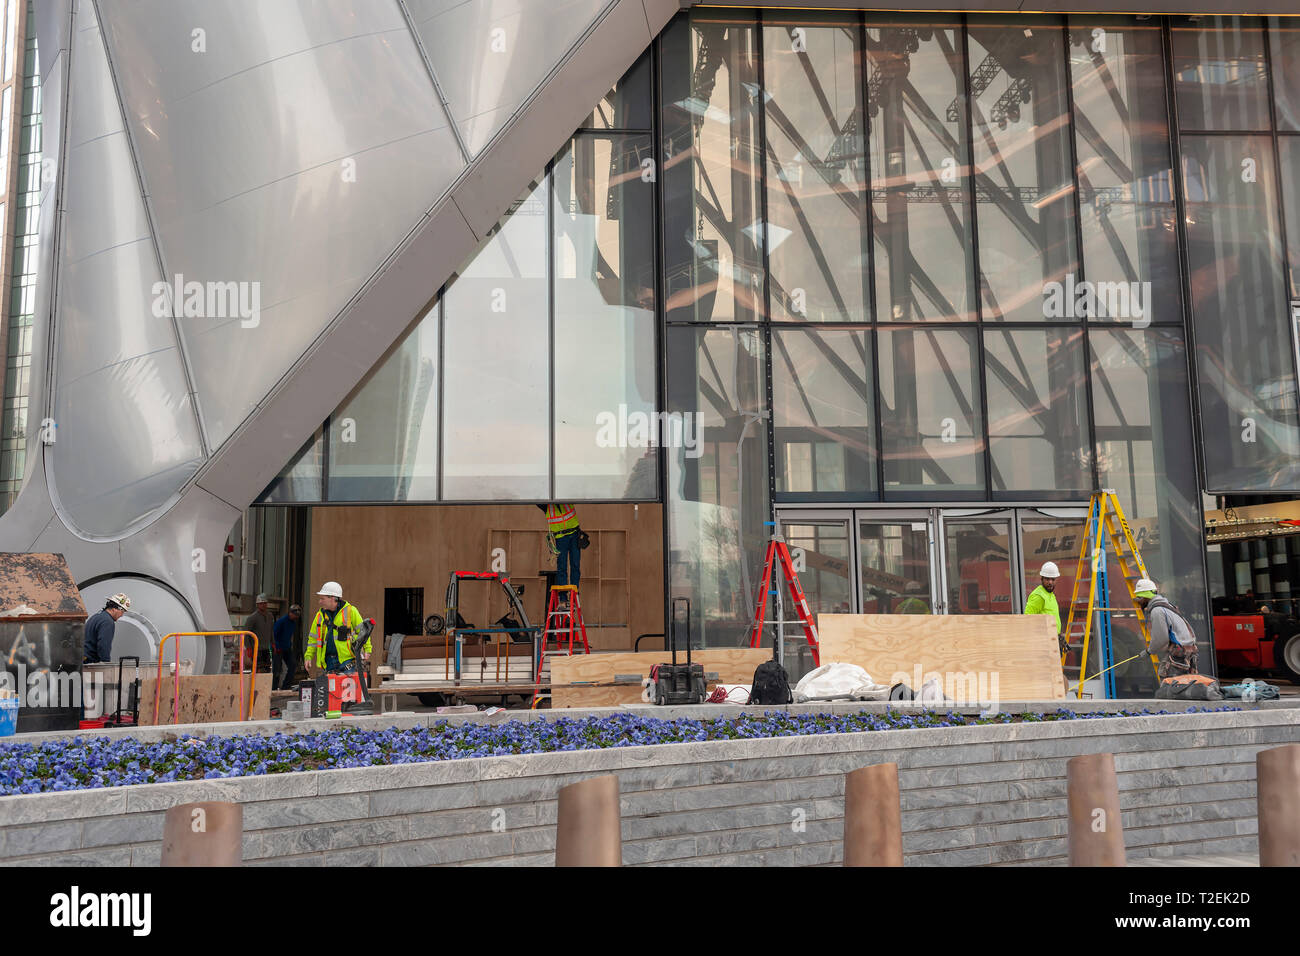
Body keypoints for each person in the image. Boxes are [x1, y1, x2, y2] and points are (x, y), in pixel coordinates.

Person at [1134, 578, 1198, 679]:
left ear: (1145, 597)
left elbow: (1161, 639)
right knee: (1186, 686)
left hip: (1178, 655)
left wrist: (1148, 652)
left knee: (1171, 688)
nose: (1138, 602)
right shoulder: (1167, 606)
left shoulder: (1157, 611)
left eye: (1139, 598)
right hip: (1187, 651)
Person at [305, 581, 370, 677]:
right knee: (332, 691)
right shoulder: (319, 616)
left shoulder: (350, 611)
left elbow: (363, 631)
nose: (320, 602)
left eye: (322, 599)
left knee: (347, 691)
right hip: (328, 662)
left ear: (332, 598)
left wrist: (367, 649)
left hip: (348, 661)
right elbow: (313, 639)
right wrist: (308, 656)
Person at [537, 503, 582, 602]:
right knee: (562, 567)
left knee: (575, 565)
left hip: (574, 534)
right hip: (560, 538)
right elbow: (537, 500)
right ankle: (563, 598)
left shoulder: (565, 496)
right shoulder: (547, 506)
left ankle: (574, 594)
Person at [1024, 561, 1065, 652]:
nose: (1050, 582)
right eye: (1047, 579)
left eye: (1053, 579)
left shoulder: (1050, 594)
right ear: (1041, 579)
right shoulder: (1039, 596)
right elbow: (1028, 620)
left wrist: (1058, 634)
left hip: (1052, 640)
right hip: (1044, 643)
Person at [83, 593, 131, 663]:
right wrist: (106, 664)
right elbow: (103, 645)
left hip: (83, 659)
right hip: (90, 662)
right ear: (115, 609)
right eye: (122, 612)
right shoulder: (107, 622)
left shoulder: (97, 616)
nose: (121, 615)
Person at [272, 603, 302, 690]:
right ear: (290, 613)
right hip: (278, 648)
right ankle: (274, 688)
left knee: (292, 665)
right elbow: (274, 634)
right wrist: (276, 646)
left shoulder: (293, 622)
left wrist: (289, 645)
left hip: (287, 647)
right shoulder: (281, 622)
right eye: (295, 615)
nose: (296, 617)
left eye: (297, 616)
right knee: (277, 670)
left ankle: (286, 686)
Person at [242, 593, 275, 672]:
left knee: (267, 669)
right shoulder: (252, 618)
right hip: (256, 649)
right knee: (258, 670)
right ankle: (256, 684)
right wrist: (248, 648)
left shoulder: (270, 616)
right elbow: (246, 633)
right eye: (261, 603)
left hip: (266, 649)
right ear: (257, 605)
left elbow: (271, 630)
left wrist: (273, 642)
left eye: (265, 603)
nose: (263, 605)